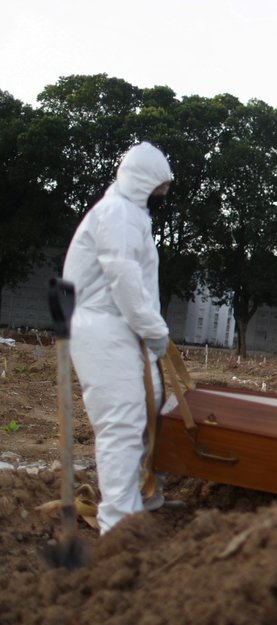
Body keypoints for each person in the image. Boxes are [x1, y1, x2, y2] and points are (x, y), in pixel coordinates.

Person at [62, 142, 174, 534]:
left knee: (152, 404)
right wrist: (154, 329)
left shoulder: (132, 214)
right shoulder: (118, 214)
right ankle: (119, 524)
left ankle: (143, 494)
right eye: (159, 189)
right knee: (123, 420)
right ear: (143, 182)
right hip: (103, 328)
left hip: (122, 328)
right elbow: (124, 280)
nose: (162, 197)